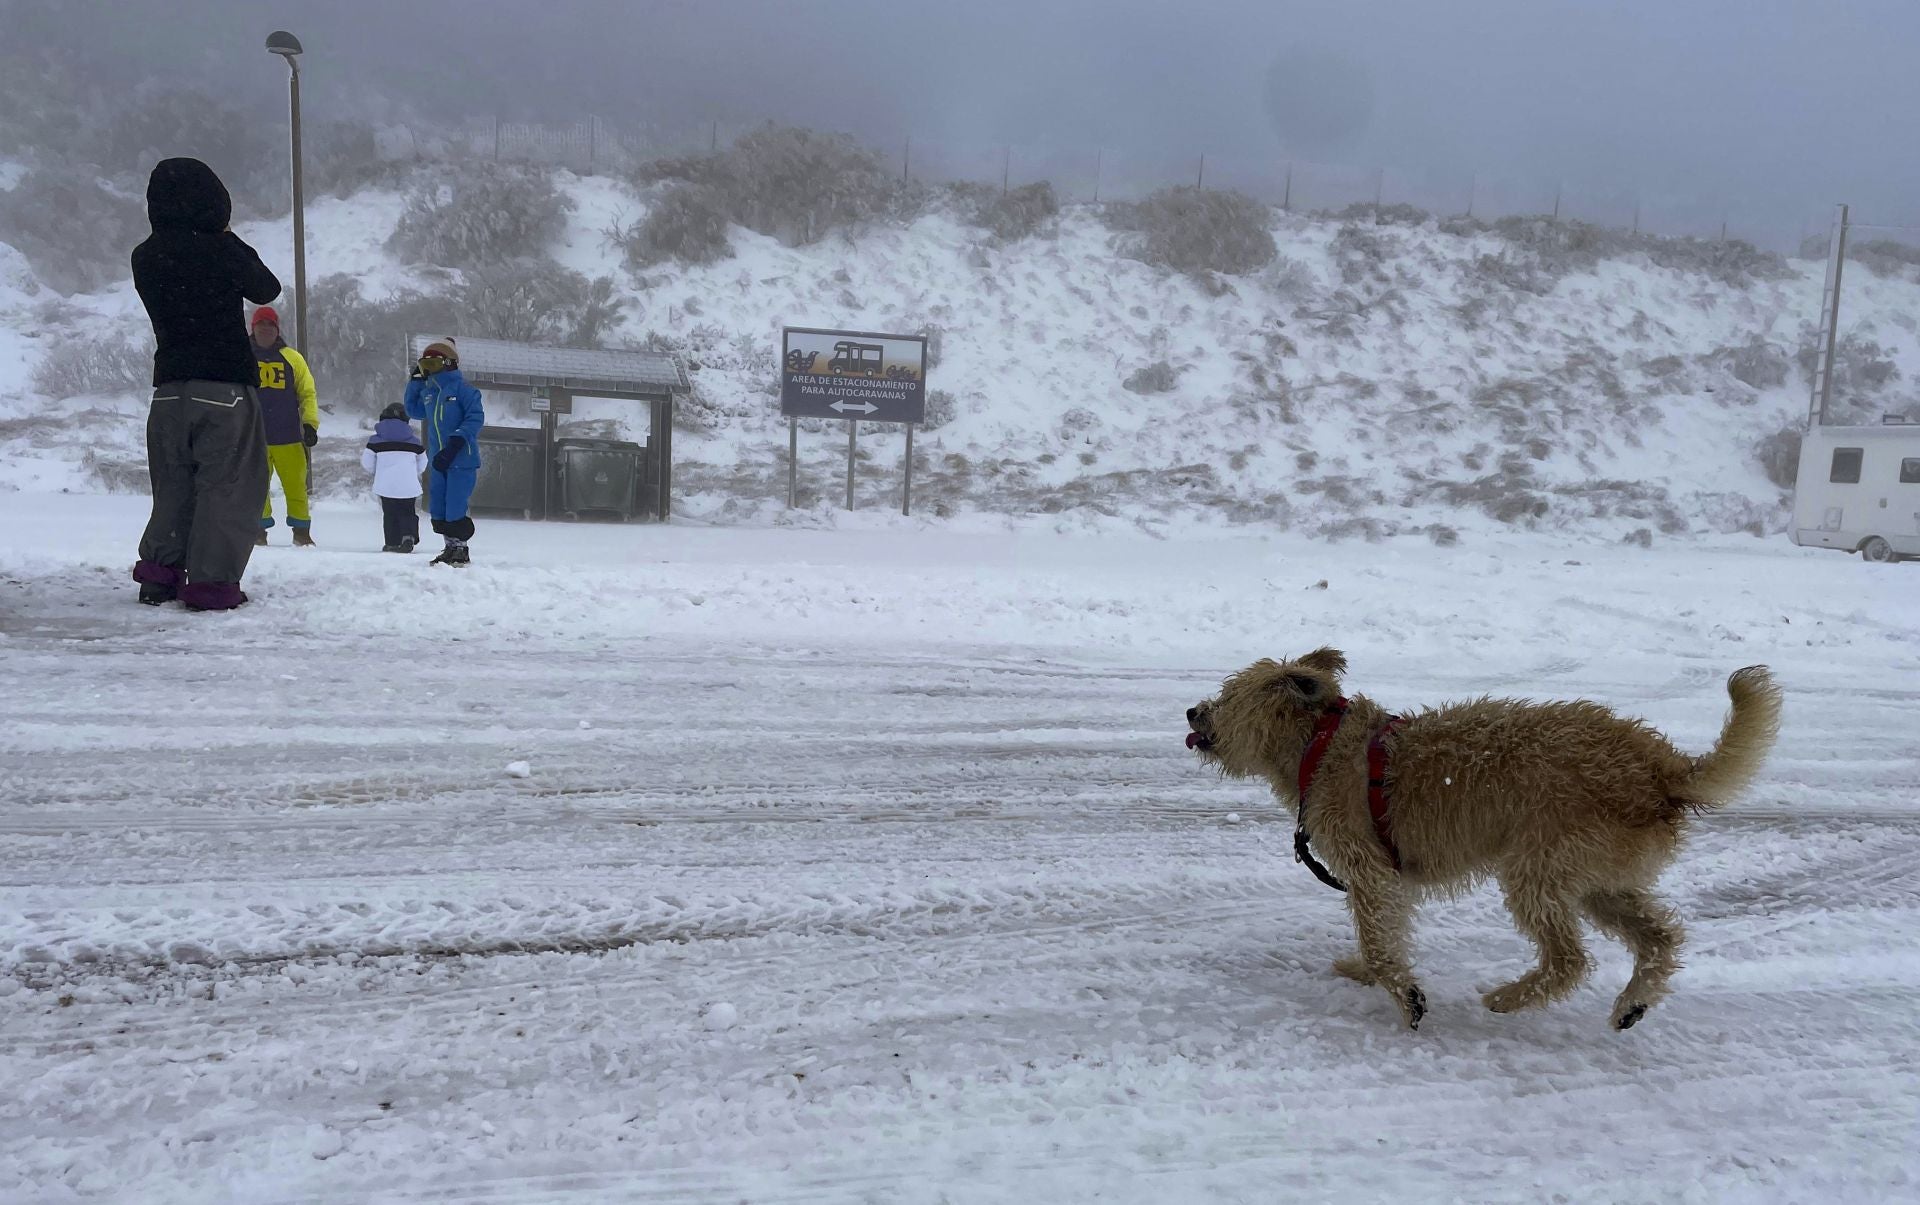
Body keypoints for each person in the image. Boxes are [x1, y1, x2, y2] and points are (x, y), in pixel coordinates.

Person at [130, 157, 281, 611]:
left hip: (169, 390)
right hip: (224, 388)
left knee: (173, 485)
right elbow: (266, 288)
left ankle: (159, 575)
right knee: (228, 487)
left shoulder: (145, 255)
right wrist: (228, 238)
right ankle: (211, 585)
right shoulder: (220, 249)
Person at [402, 338, 484, 567]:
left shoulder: (465, 390)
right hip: (439, 459)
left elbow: (475, 417)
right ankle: (450, 546)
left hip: (461, 458)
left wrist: (458, 440)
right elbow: (414, 410)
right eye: (425, 365)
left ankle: (460, 548)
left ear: (449, 362)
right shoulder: (430, 393)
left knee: (456, 503)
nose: (429, 369)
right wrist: (415, 383)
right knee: (439, 505)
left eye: (434, 364)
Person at [249, 305, 320, 547]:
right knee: (256, 488)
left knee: (296, 486)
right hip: (253, 437)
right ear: (253, 328)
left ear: (277, 330)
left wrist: (310, 424)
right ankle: (258, 531)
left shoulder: (292, 357)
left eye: (271, 325)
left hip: (288, 435)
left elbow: (307, 393)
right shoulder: (242, 356)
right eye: (261, 325)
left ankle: (301, 533)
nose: (266, 329)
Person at [362, 402, 428, 553]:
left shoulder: (375, 441)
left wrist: (378, 472)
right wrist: (413, 472)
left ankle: (392, 542)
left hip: (386, 485)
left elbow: (367, 462)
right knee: (407, 511)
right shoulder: (414, 441)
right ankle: (408, 536)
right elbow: (423, 461)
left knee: (390, 513)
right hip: (408, 485)